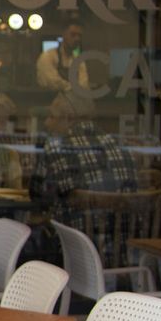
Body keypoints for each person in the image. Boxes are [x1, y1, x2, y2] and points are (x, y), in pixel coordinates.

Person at [28, 92, 137, 225]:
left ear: (69, 118)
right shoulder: (123, 146)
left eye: (51, 116)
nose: (46, 123)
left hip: (75, 241)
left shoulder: (57, 147)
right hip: (124, 242)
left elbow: (37, 196)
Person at [35, 22, 91, 93]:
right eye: (73, 35)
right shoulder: (48, 56)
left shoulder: (79, 62)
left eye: (79, 36)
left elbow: (84, 84)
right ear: (64, 35)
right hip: (48, 101)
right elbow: (51, 82)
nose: (77, 39)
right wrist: (74, 88)